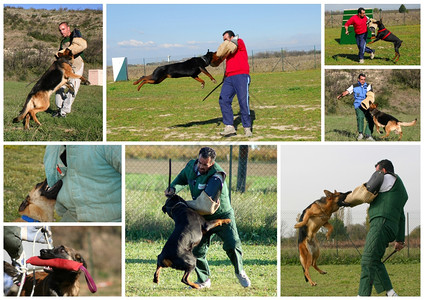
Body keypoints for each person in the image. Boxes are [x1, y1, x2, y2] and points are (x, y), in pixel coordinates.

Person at [164, 147, 251, 288]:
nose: (201, 166)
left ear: (212, 163)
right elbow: (181, 179)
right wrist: (173, 189)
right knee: (196, 251)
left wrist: (180, 204)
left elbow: (205, 205)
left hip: (221, 216)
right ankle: (203, 280)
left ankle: (240, 271)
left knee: (233, 244)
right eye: (200, 162)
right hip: (200, 218)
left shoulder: (218, 175)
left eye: (206, 164)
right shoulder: (191, 166)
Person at [358, 159, 408, 296]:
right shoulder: (398, 190)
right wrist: (400, 240)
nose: (376, 175)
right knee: (374, 260)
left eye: (377, 172)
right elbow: (401, 216)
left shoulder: (387, 178)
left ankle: (362, 296)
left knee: (367, 260)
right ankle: (391, 294)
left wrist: (343, 201)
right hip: (389, 226)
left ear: (384, 171)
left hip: (381, 223)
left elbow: (364, 193)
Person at [43, 145, 122, 222]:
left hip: (110, 221)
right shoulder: (53, 148)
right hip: (70, 218)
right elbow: (52, 180)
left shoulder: (108, 146)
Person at [218, 30, 252, 137]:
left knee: (243, 101)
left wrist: (230, 41)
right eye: (223, 40)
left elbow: (234, 42)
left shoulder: (239, 42)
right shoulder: (228, 51)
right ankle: (229, 127)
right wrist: (225, 76)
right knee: (223, 99)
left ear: (232, 37)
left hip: (241, 75)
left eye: (225, 39)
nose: (224, 42)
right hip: (229, 77)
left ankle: (247, 127)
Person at [53, 22, 87, 118]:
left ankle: (64, 111)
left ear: (68, 28)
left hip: (77, 63)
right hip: (65, 66)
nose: (61, 31)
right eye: (60, 30)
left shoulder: (75, 37)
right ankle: (60, 108)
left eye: (63, 29)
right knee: (59, 86)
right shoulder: (63, 42)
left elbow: (80, 45)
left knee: (73, 87)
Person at [337, 73, 374, 141]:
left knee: (371, 119)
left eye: (364, 79)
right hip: (358, 104)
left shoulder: (368, 86)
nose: (363, 81)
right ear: (358, 79)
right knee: (360, 117)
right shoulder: (354, 86)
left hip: (367, 105)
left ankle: (368, 135)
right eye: (361, 79)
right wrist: (341, 95)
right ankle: (360, 134)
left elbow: (370, 95)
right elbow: (346, 92)